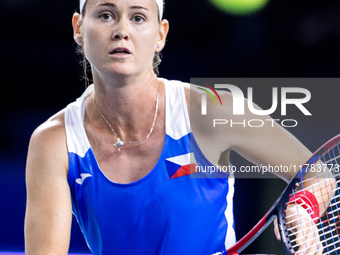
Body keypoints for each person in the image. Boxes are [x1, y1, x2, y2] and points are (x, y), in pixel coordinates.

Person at [24, 0, 326, 254]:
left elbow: (318, 174)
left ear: (160, 34)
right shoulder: (55, 142)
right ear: (78, 28)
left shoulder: (213, 111)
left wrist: (302, 208)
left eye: (138, 17)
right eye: (105, 15)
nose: (122, 31)